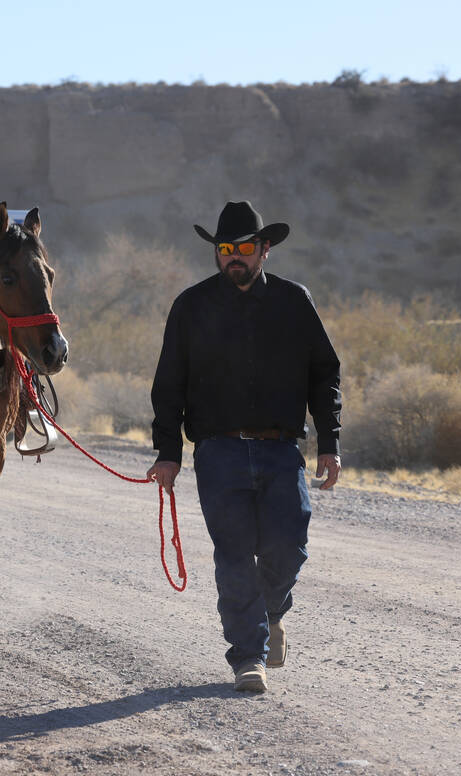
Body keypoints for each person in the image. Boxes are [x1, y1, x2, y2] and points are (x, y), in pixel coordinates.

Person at [146, 200, 342, 694]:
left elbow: (325, 373)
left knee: (289, 547)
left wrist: (329, 442)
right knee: (233, 555)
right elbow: (168, 384)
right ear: (217, 252)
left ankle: (271, 612)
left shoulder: (295, 302)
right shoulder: (190, 306)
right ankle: (247, 658)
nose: (235, 257)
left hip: (280, 450)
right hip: (218, 452)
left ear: (264, 250)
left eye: (245, 249)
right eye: (226, 249)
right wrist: (168, 452)